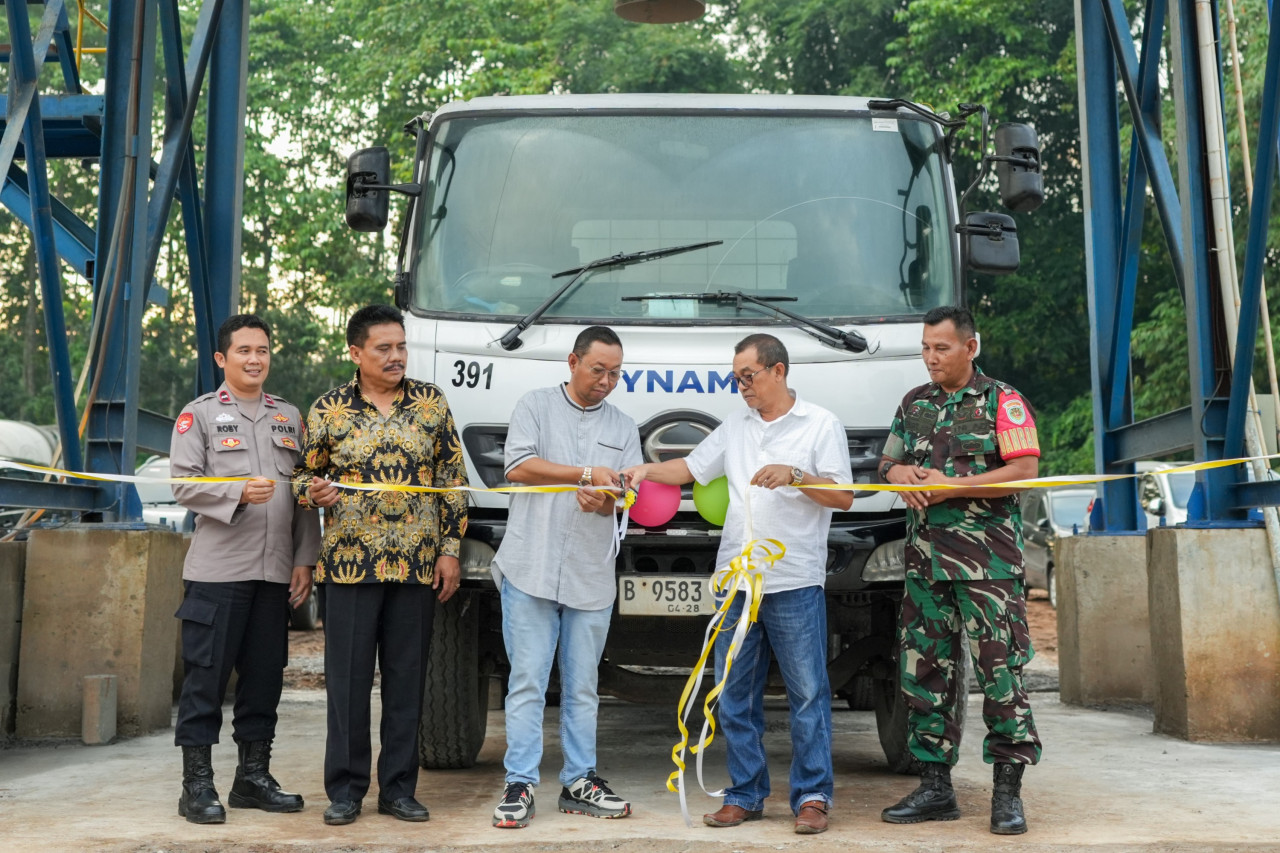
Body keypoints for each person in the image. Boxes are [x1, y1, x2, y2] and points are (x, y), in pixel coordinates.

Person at [623, 333, 853, 836]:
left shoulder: (819, 424)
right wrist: (644, 470)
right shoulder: (736, 426)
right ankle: (745, 793)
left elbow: (843, 496)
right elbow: (690, 467)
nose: (742, 387)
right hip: (737, 580)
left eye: (747, 377)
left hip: (793, 580)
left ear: (778, 371)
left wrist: (795, 474)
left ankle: (812, 796)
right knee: (732, 694)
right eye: (736, 379)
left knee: (808, 693)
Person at [294, 304, 469, 826]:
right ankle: (345, 790)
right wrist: (314, 493)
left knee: (406, 680)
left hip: (417, 565)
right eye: (383, 348)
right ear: (355, 352)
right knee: (346, 683)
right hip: (350, 565)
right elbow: (301, 476)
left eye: (401, 347)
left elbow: (452, 480)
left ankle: (398, 789)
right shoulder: (329, 409)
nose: (396, 357)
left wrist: (450, 549)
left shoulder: (430, 404)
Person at [877, 305, 1042, 835]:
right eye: (926, 348)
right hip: (926, 566)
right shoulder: (914, 403)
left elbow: (1023, 470)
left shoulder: (1002, 401)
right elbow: (886, 466)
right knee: (925, 673)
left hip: (987, 567)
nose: (931, 358)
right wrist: (903, 473)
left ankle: (1007, 794)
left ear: (971, 347)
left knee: (1001, 674)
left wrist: (952, 487)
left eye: (941, 348)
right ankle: (934, 787)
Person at [489, 326, 642, 829]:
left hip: (590, 574)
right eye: (598, 369)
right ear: (573, 362)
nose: (606, 381)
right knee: (528, 681)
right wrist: (582, 475)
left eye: (616, 373)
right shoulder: (534, 405)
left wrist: (605, 501)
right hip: (530, 567)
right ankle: (519, 784)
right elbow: (518, 467)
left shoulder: (623, 425)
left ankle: (580, 781)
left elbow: (626, 500)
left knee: (583, 686)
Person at [171, 313, 321, 824]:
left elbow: (304, 496)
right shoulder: (200, 416)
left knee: (263, 680)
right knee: (205, 682)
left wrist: (305, 559)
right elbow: (183, 485)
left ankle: (252, 778)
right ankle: (196, 785)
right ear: (222, 358)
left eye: (262, 350)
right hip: (217, 573)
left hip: (274, 573)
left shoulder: (289, 417)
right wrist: (235, 491)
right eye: (244, 351)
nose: (255, 359)